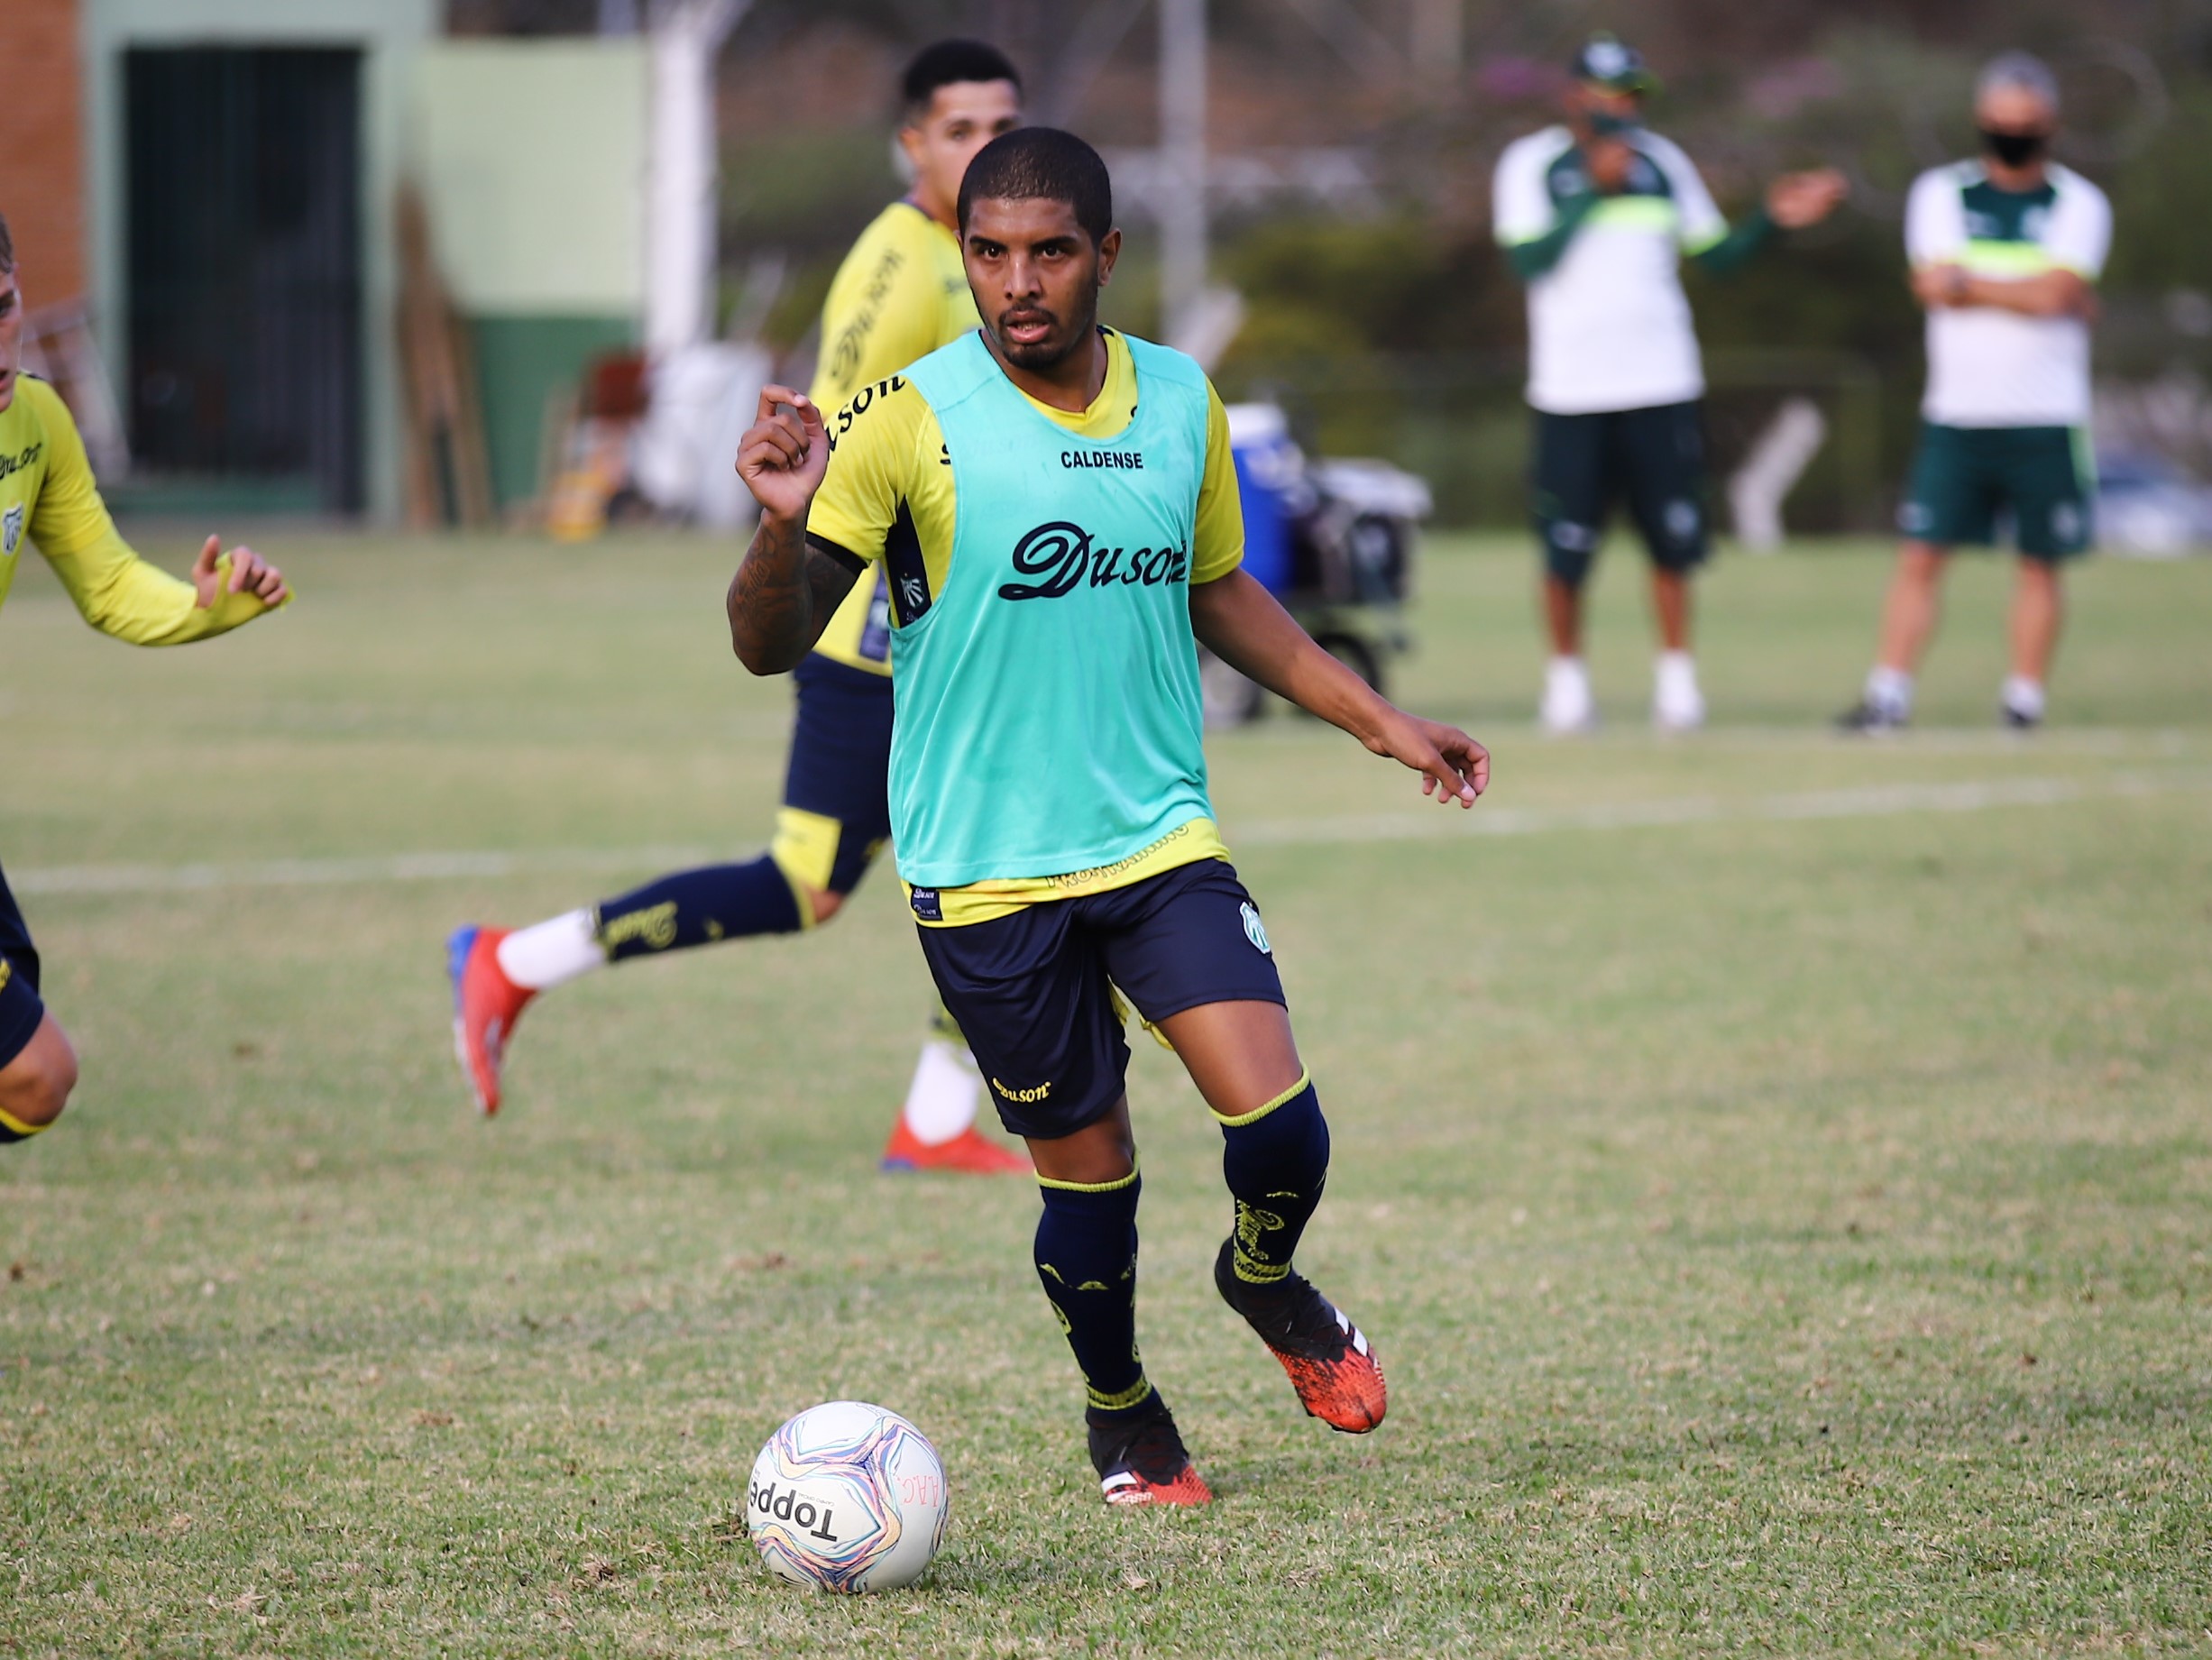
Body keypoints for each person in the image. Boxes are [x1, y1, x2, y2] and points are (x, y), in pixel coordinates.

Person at [725, 129, 1491, 1506]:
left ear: (1106, 256)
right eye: (989, 253)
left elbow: (1220, 590)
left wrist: (1384, 721)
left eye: (1049, 252)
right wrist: (781, 524)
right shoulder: (903, 418)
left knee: (1283, 1130)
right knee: (1095, 1189)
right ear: (964, 256)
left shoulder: (1180, 399)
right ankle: (1122, 1408)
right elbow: (765, 646)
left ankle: (1262, 1280)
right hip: (983, 872)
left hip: (1155, 835)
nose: (1017, 282)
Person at [447, 41, 1028, 1173]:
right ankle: (515, 961)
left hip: (952, 624)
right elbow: (826, 428)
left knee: (1008, 856)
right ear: (912, 143)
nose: (987, 148)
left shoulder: (985, 253)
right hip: (878, 628)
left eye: (1002, 125)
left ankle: (938, 1115)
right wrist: (837, 584)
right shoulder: (899, 258)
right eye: (960, 130)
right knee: (841, 879)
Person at [0, 209, 291, 1150]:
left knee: (34, 1084)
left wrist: (203, 606)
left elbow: (108, 581)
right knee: (35, 1066)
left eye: (2, 307)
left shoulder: (37, 423)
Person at [1492, 32, 1846, 732]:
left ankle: (1677, 684)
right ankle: (1566, 685)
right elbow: (1528, 260)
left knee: (1672, 539)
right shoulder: (1531, 164)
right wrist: (1587, 195)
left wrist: (1773, 221)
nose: (1620, 108)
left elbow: (1713, 257)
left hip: (1660, 382)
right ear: (1574, 98)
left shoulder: (1663, 162)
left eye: (1630, 95)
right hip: (1571, 390)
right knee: (1566, 547)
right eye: (1607, 95)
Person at [1838, 52, 2110, 733]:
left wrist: (1974, 285)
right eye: (2001, 120)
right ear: (1981, 121)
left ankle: (2022, 702)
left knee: (2040, 565)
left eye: (2025, 122)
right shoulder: (1941, 192)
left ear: (2048, 123)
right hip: (1957, 414)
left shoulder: (2077, 203)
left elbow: (2056, 293)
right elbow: (1935, 284)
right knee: (1921, 557)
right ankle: (1887, 696)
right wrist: (2026, 291)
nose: (2012, 131)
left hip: (2045, 415)